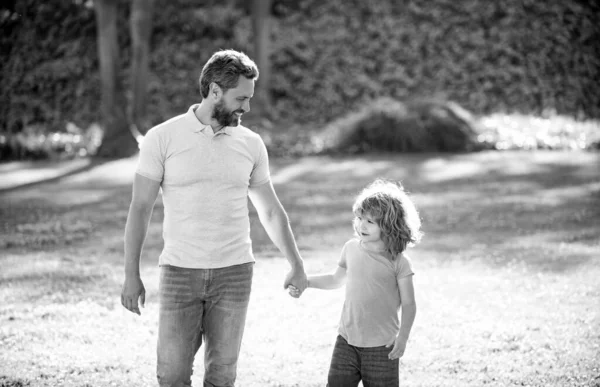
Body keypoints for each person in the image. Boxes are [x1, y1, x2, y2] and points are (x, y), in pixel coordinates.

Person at [120, 49, 308, 387]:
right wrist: (131, 274)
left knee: (223, 375)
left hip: (235, 273)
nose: (247, 108)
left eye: (249, 98)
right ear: (215, 90)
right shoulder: (162, 138)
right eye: (241, 98)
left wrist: (296, 262)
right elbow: (140, 208)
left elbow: (269, 210)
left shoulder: (251, 143)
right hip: (180, 271)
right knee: (171, 374)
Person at [289, 178, 423, 387]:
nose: (362, 224)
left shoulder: (399, 262)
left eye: (370, 221)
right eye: (360, 218)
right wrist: (306, 282)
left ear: (389, 225)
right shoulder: (351, 249)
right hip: (346, 342)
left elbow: (409, 304)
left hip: (382, 347)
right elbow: (335, 279)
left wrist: (403, 337)